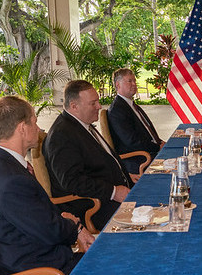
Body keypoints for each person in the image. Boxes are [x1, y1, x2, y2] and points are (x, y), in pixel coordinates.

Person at [0, 96, 94, 275]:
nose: (38, 128)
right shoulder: (10, 180)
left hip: (42, 263)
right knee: (116, 271)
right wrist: (75, 227)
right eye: (34, 121)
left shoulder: (1, 166)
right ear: (22, 128)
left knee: (111, 257)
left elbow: (40, 216)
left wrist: (68, 221)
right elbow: (50, 231)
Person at [43, 80, 134, 229]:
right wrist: (114, 192)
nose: (99, 106)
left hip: (114, 194)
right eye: (93, 103)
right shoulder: (61, 135)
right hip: (94, 207)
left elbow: (101, 162)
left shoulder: (81, 124)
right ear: (74, 106)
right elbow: (72, 181)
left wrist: (126, 176)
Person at [107, 68, 165, 174]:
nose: (134, 84)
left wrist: (160, 142)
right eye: (129, 81)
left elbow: (147, 132)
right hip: (138, 158)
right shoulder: (117, 110)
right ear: (118, 85)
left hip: (149, 151)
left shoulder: (131, 105)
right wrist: (157, 147)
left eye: (134, 81)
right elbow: (132, 141)